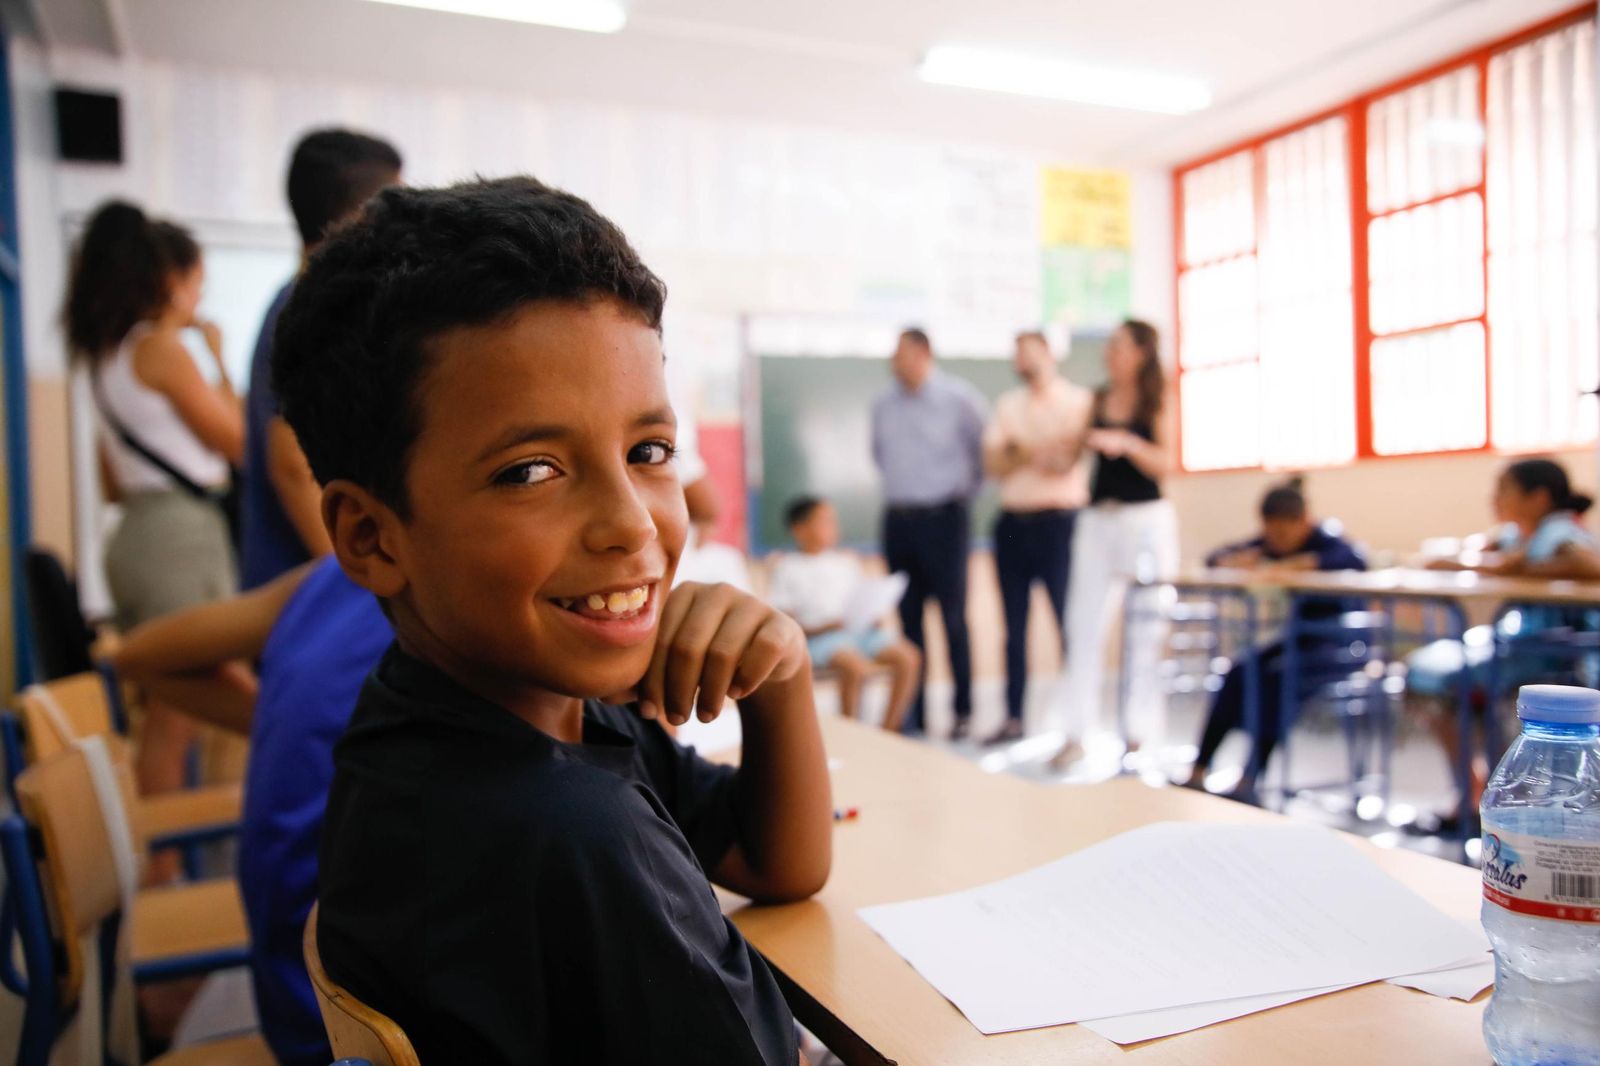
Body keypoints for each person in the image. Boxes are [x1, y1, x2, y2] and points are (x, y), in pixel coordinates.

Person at [272, 176, 829, 1065]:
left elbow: (777, 863)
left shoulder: (499, 710)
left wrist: (781, 675)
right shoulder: (563, 833)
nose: (634, 523)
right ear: (373, 536)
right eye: (531, 471)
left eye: (650, 452)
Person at [112, 558, 390, 1066]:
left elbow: (139, 656)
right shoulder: (444, 596)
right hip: (344, 1031)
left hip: (291, 1002)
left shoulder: (334, 577)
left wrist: (290, 725)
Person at [62, 201, 243, 827]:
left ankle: (152, 862)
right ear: (163, 278)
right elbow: (239, 441)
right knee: (181, 717)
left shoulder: (100, 358)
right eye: (193, 280)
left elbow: (112, 484)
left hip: (134, 538)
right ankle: (160, 871)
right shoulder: (162, 350)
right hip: (177, 537)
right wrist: (218, 357)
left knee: (169, 711)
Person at [240, 128, 402, 590]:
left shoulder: (291, 303)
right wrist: (352, 585)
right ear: (360, 214)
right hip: (303, 586)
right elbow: (291, 466)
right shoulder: (316, 312)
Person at [1407, 457, 1600, 831]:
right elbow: (1447, 559)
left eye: (1504, 490)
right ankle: (1478, 791)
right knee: (1423, 673)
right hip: (1515, 644)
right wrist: (1491, 563)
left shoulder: (1561, 531)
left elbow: (1591, 565)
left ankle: (1490, 795)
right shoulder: (1515, 536)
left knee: (1448, 683)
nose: (1494, 499)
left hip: (1555, 651)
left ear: (1539, 497)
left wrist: (1514, 567)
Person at [1183, 478, 1367, 800]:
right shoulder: (1268, 544)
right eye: (1272, 531)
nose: (1278, 540)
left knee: (1276, 681)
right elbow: (1217, 556)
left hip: (1340, 647)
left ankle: (1251, 778)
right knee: (1239, 671)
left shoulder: (1327, 541)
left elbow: (1356, 560)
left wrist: (1302, 564)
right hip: (1297, 641)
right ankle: (1199, 769)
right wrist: (1236, 561)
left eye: (1286, 531)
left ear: (1304, 521)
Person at [1054, 319, 1178, 769]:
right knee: (1082, 624)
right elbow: (1070, 456)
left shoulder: (1158, 400)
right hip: (1097, 519)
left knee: (1145, 625)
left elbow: (1166, 464)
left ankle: (1137, 734)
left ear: (1142, 352)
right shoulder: (1098, 398)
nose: (1110, 354)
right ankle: (1075, 732)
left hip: (1144, 520)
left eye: (1119, 346)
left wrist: (1126, 443)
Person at [871, 328, 986, 738]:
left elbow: (982, 455)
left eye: (900, 352)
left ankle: (963, 712)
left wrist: (954, 500)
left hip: (945, 520)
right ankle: (914, 715)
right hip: (899, 520)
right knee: (909, 621)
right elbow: (880, 457)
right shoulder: (883, 404)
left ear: (923, 353)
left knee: (954, 619)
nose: (893, 360)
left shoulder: (960, 399)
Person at [981, 330, 1092, 745]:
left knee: (1068, 622)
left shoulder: (1078, 401)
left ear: (1048, 353)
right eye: (1017, 354)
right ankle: (1014, 718)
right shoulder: (1007, 405)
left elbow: (1066, 460)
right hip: (1013, 524)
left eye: (1029, 352)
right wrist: (1035, 450)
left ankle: (1074, 725)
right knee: (1014, 628)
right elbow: (993, 464)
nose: (1022, 361)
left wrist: (1019, 449)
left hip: (1060, 524)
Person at [768, 496, 921, 731]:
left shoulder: (846, 562)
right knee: (854, 666)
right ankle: (852, 730)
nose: (832, 527)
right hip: (821, 638)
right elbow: (786, 622)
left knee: (908, 657)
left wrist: (871, 616)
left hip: (860, 633)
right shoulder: (788, 567)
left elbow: (858, 600)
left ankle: (890, 729)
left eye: (833, 521)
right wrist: (829, 626)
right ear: (799, 529)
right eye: (824, 522)